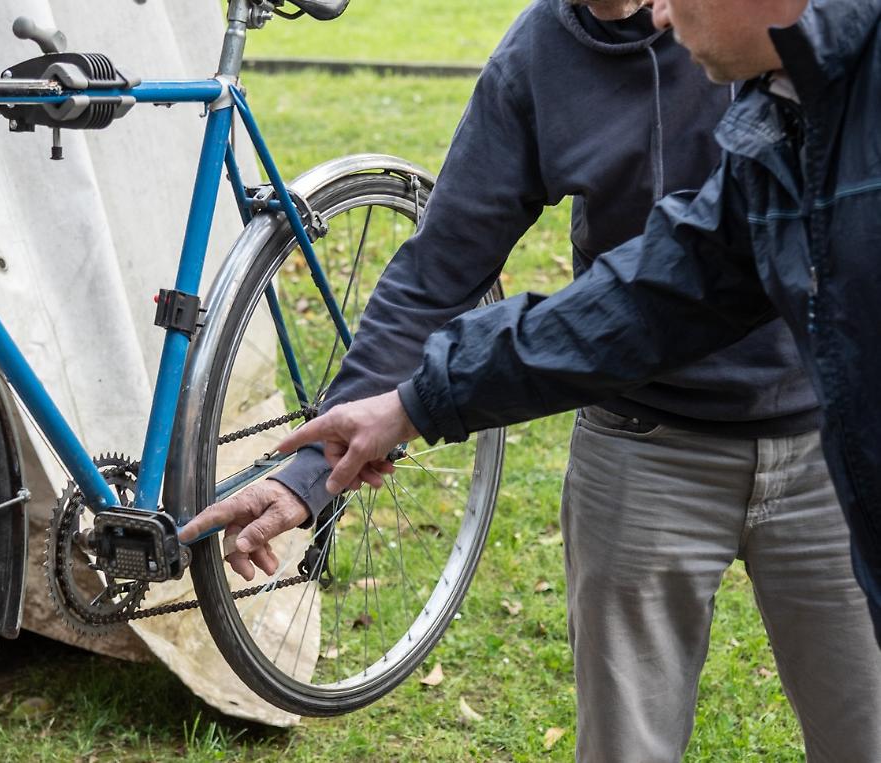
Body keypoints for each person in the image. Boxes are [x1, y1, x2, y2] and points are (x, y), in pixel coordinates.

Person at [182, 0, 881, 759]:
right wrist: (338, 453)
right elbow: (643, 290)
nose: (663, 10)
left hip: (825, 438)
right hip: (647, 441)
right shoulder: (577, 65)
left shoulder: (822, 80)